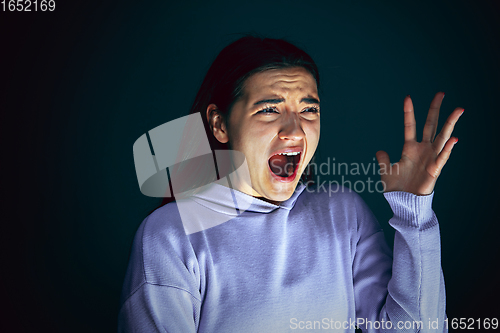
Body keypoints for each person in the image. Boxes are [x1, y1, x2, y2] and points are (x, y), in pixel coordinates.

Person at [119, 35, 463, 332]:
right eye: (269, 109)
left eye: (308, 110)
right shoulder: (170, 235)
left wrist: (414, 211)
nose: (295, 131)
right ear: (219, 124)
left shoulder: (343, 213)